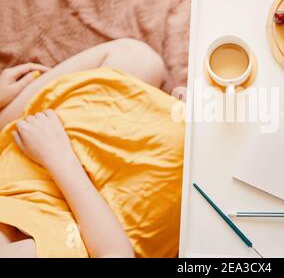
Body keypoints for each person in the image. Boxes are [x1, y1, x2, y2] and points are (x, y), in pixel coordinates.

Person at [0, 38, 183, 258]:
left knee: (139, 60)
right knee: (190, 141)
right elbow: (117, 254)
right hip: (103, 221)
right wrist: (58, 156)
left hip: (24, 156)